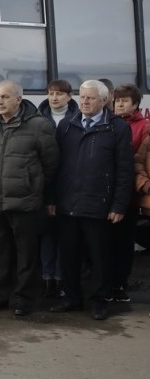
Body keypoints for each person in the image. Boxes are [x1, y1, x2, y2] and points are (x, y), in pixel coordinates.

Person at [50, 79, 133, 320]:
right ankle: (72, 298)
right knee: (68, 256)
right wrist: (52, 199)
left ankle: (99, 301)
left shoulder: (117, 128)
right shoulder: (67, 125)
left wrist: (118, 205)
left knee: (100, 257)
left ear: (104, 100)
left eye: (90, 98)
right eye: (82, 97)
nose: (84, 102)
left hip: (99, 205)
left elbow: (124, 170)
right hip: (68, 204)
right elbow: (57, 167)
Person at [0, 80, 58, 317]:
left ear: (18, 99)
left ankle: (23, 299)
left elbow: (51, 165)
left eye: (5, 97)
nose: (0, 101)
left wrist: (36, 188)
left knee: (26, 255)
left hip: (25, 202)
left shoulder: (38, 126)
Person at [36, 79, 79, 298]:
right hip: (45, 183)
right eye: (51, 93)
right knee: (47, 234)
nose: (54, 98)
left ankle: (62, 278)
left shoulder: (78, 118)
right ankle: (47, 278)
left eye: (60, 94)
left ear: (70, 96)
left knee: (66, 236)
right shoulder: (38, 118)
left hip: (68, 185)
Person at [107, 83, 149, 302]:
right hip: (107, 193)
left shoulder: (143, 126)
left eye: (124, 101)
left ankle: (119, 284)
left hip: (129, 195)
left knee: (123, 243)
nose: (119, 104)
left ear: (135, 105)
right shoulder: (109, 123)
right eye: (117, 100)